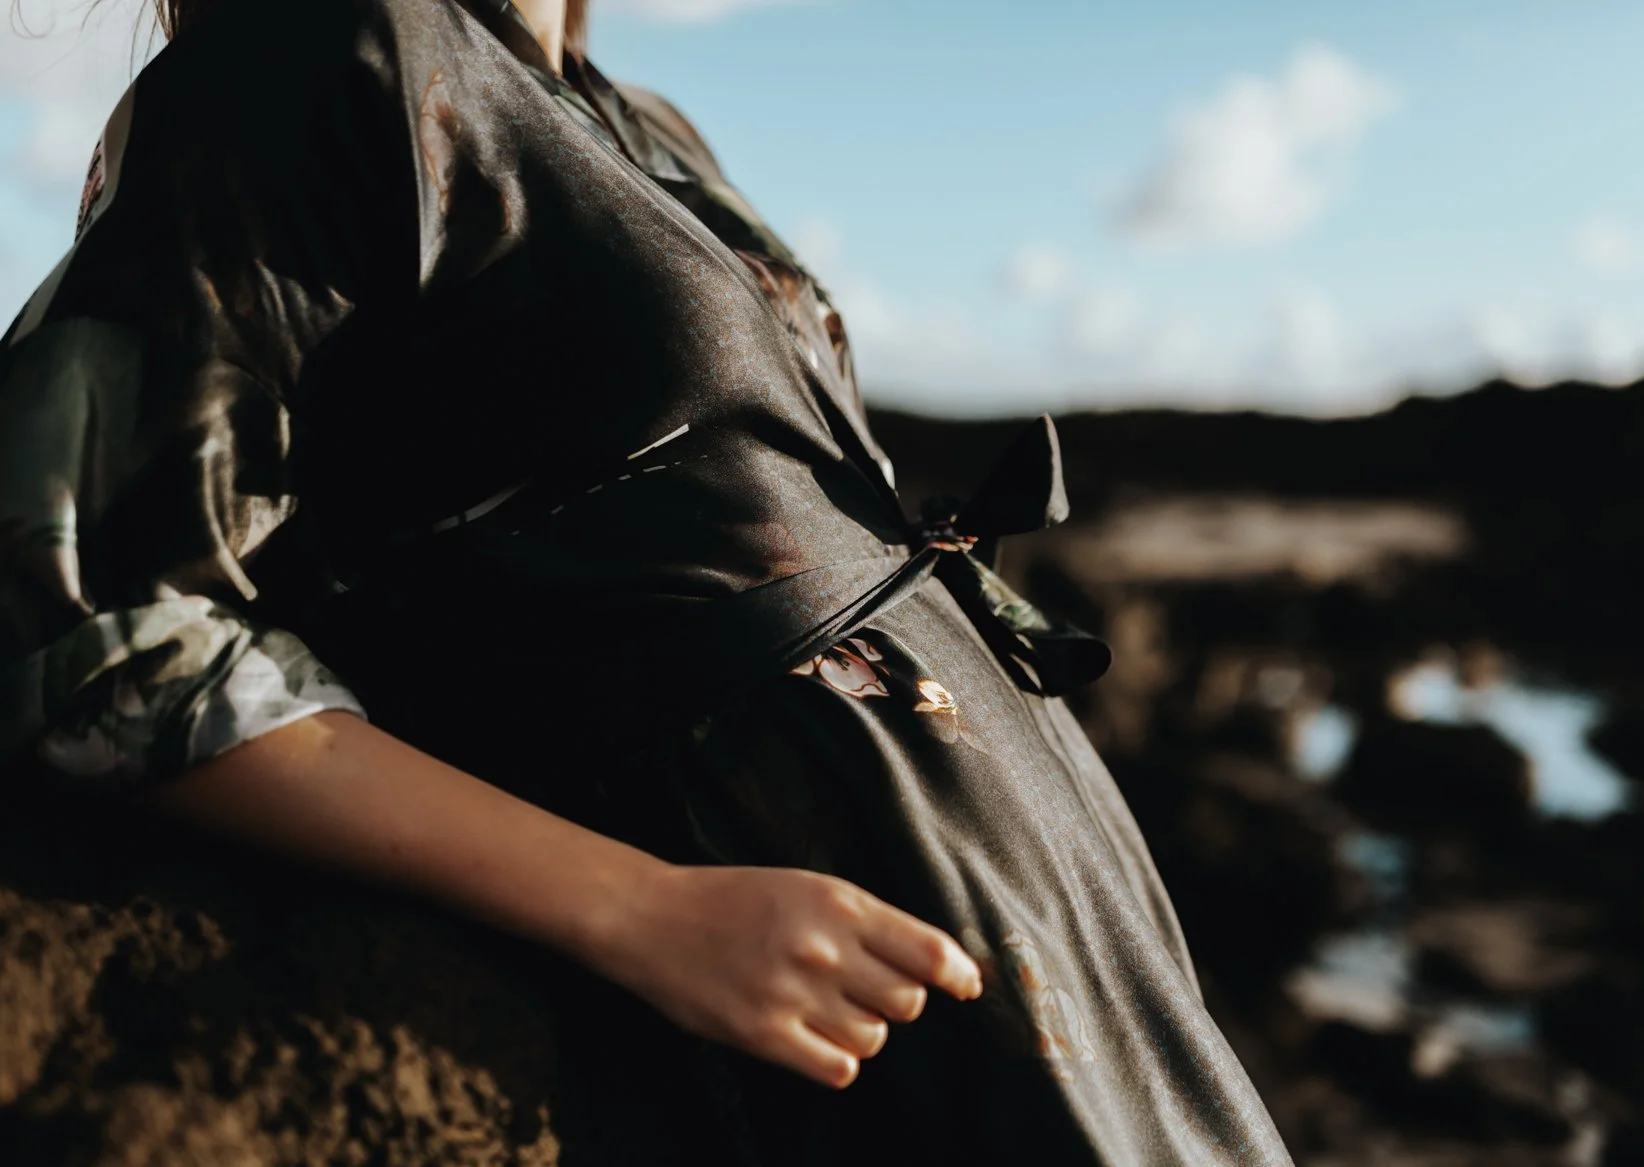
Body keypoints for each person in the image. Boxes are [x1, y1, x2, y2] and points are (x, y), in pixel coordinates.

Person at [0, 0, 1292, 1161]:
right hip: (793, 944)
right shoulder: (318, 48)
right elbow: (110, 631)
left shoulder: (640, 121)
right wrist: (637, 908)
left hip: (1041, 889)